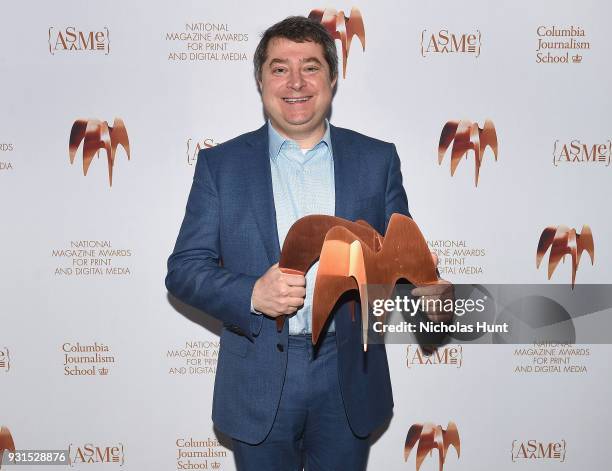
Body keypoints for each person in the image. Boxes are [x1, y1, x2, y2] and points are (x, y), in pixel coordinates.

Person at [166, 16, 451, 471]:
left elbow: (395, 265)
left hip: (349, 377)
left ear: (333, 79)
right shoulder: (220, 165)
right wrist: (251, 294)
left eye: (311, 67)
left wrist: (429, 297)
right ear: (260, 80)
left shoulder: (377, 160)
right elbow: (183, 269)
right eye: (279, 68)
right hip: (257, 379)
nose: (295, 82)